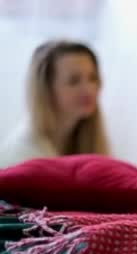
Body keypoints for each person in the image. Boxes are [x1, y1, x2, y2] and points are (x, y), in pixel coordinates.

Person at [0, 40, 109, 168]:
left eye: (93, 78)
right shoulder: (20, 156)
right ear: (46, 89)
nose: (89, 90)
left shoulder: (88, 142)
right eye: (73, 81)